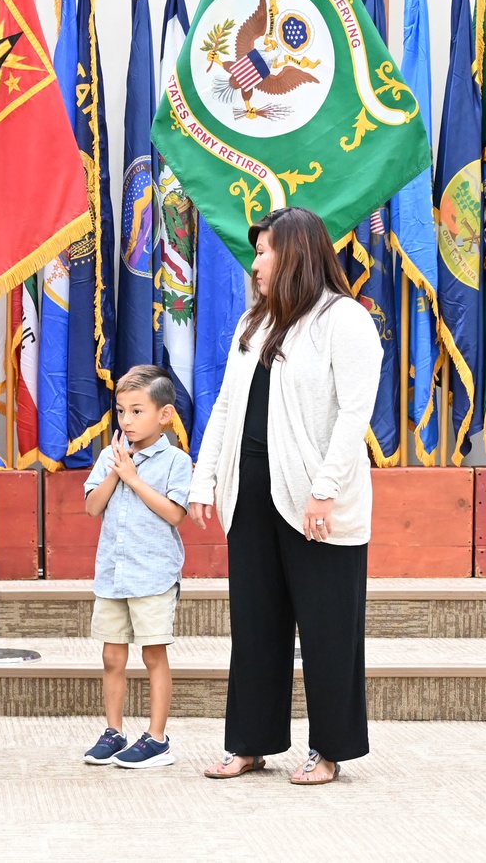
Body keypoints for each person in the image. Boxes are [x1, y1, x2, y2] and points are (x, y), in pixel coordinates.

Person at [189, 206, 382, 786]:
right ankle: (250, 743)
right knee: (254, 622)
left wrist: (324, 489)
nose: (256, 264)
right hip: (251, 492)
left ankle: (329, 749)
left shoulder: (343, 319)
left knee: (328, 627)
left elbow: (354, 414)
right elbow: (226, 404)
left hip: (316, 500)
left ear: (296, 253)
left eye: (265, 251)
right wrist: (206, 478)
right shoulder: (256, 321)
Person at [82, 366, 192, 769]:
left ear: (163, 415)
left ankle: (158, 738)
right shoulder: (110, 457)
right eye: (121, 411)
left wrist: (134, 476)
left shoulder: (175, 462)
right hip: (113, 573)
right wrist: (117, 469)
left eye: (137, 411)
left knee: (152, 654)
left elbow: (175, 514)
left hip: (153, 574)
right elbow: (92, 506)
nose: (126, 421)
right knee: (112, 656)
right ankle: (114, 732)